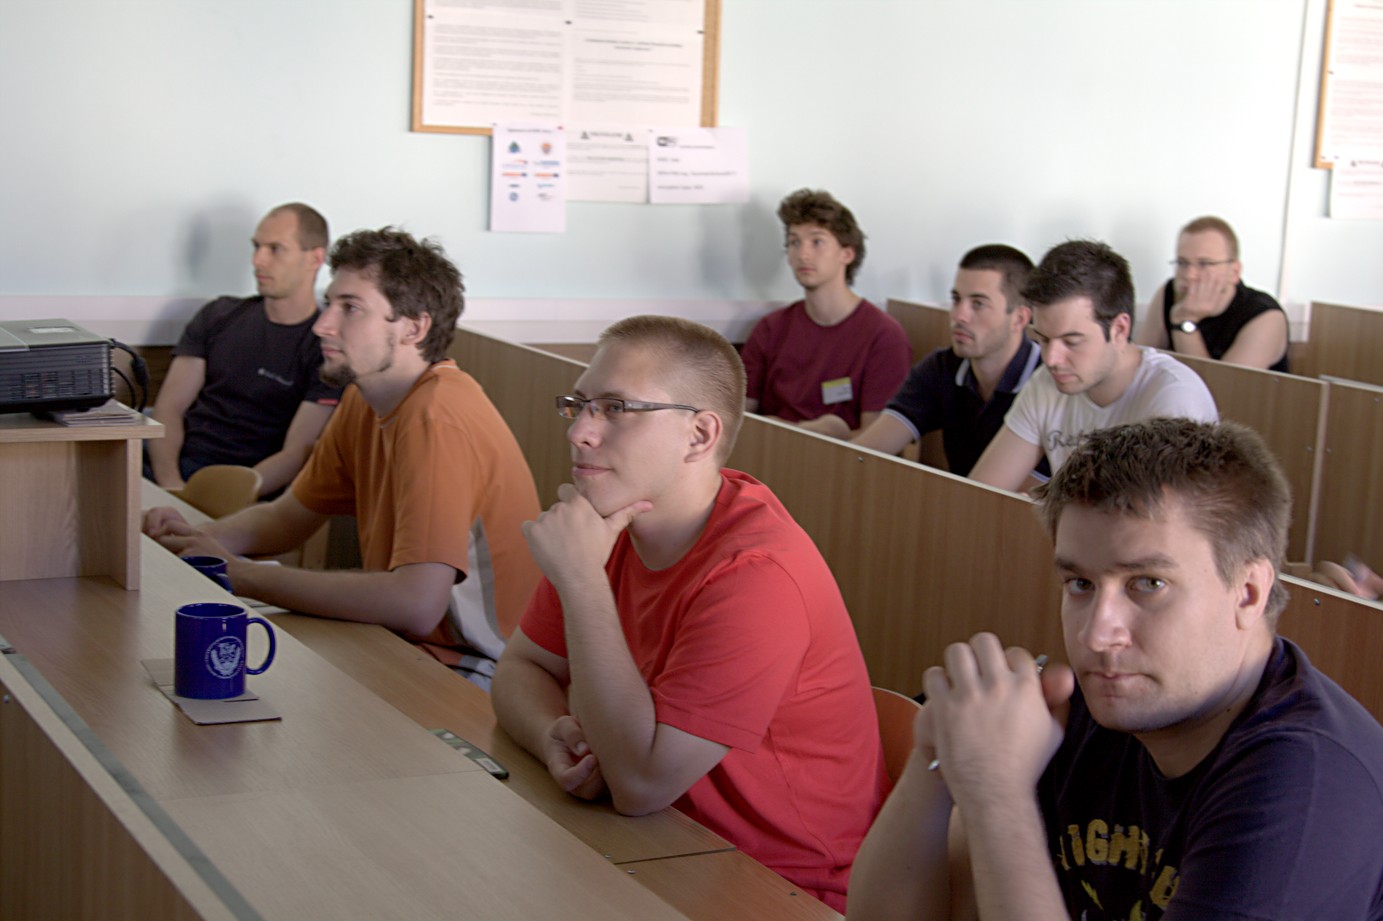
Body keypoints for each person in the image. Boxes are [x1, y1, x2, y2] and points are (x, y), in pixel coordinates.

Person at [848, 417, 1383, 921]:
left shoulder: (1307, 786)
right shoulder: (1088, 711)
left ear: (1247, 593)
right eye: (1080, 584)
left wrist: (998, 796)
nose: (1096, 635)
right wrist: (937, 756)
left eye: (1147, 584)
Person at [491, 315, 888, 911]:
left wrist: (580, 581)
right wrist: (551, 734)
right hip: (653, 846)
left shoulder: (757, 574)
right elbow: (520, 669)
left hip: (779, 890)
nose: (579, 432)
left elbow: (640, 785)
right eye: (579, 405)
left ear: (699, 436)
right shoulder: (609, 522)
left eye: (615, 408)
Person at [144, 227, 541, 687]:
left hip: (477, 668)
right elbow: (288, 518)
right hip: (404, 645)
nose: (322, 325)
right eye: (329, 303)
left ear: (414, 328)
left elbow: (415, 604)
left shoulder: (437, 417)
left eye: (350, 308)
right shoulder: (363, 398)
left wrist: (239, 574)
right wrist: (194, 541)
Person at [969, 240, 1217, 492]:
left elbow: (1162, 514)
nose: (1051, 359)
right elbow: (980, 493)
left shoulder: (1175, 397)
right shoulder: (1046, 384)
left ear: (1119, 329)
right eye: (1043, 339)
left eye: (1071, 342)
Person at [147, 203, 342, 498]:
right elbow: (168, 409)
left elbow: (295, 454)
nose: (258, 260)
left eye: (275, 249)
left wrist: (222, 500)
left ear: (314, 258)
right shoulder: (218, 315)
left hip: (247, 486)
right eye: (256, 247)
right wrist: (171, 487)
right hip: (175, 465)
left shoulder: (325, 346)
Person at [852, 244, 1041, 475]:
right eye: (956, 299)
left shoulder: (1049, 383)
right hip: (958, 497)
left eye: (978, 304)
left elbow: (1026, 493)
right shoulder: (942, 367)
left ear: (1019, 318)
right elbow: (865, 453)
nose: (959, 315)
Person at [741, 189, 910, 438]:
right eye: (794, 242)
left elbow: (877, 442)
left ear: (847, 253)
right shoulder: (771, 328)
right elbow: (738, 418)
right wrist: (808, 431)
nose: (803, 254)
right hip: (770, 453)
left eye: (817, 242)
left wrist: (821, 434)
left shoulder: (884, 336)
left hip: (842, 461)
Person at [1136, 216, 1290, 372]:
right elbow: (1141, 365)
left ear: (1234, 271)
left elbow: (1224, 385)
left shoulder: (1265, 316)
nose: (1190, 275)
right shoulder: (1169, 292)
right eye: (1182, 263)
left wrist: (1185, 322)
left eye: (1204, 264)